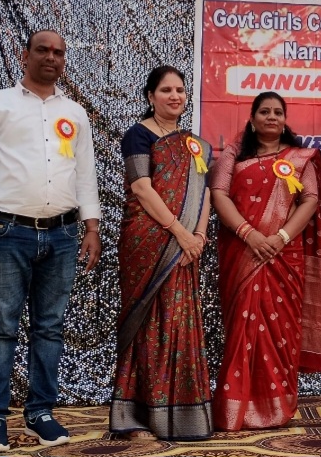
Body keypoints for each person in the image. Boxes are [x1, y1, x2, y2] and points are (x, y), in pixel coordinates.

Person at [0, 30, 101, 453]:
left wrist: (92, 227)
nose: (51, 57)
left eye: (58, 52)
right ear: (24, 55)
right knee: (0, 328)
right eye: (42, 50)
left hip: (63, 234)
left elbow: (84, 173)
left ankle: (40, 410)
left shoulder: (74, 113)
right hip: (7, 233)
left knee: (50, 328)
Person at [210, 91, 321, 430]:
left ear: (285, 119)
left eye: (278, 112)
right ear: (252, 118)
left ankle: (277, 407)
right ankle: (234, 408)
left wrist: (280, 238)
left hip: (283, 254)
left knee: (280, 333)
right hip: (242, 251)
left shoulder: (300, 157)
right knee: (241, 328)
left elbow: (310, 200)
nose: (272, 117)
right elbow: (218, 194)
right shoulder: (234, 154)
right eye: (264, 111)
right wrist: (249, 234)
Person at [109, 66, 213, 441]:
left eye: (180, 90)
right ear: (150, 96)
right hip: (148, 241)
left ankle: (182, 415)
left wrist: (198, 236)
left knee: (179, 321)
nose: (175, 96)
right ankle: (136, 416)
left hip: (187, 245)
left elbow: (204, 193)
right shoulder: (138, 135)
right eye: (166, 90)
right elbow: (141, 187)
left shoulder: (196, 144)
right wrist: (181, 234)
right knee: (149, 322)